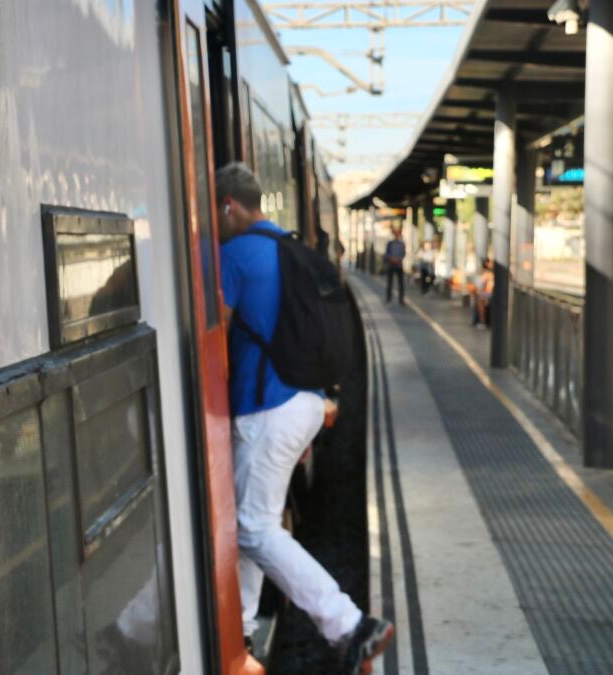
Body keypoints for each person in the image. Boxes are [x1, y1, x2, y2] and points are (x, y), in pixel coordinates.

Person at [215, 163, 393, 674]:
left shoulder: (234, 255)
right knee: (256, 521)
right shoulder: (290, 247)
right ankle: (240, 631)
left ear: (228, 206)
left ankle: (350, 626)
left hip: (268, 410)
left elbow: (214, 337)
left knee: (253, 527)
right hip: (306, 403)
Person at [384, 228, 406, 304]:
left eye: (397, 234)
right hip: (391, 265)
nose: (396, 235)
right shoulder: (390, 244)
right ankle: (388, 298)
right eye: (395, 234)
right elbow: (387, 253)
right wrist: (391, 258)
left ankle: (401, 299)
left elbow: (403, 253)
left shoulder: (402, 244)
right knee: (389, 282)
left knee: (401, 283)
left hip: (399, 265)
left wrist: (398, 259)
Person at [473, 257, 495, 329]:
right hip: (487, 293)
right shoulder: (486, 273)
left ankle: (482, 321)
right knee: (478, 298)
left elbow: (486, 286)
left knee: (480, 300)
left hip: (490, 293)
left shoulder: (489, 274)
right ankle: (479, 320)